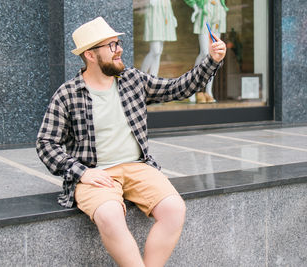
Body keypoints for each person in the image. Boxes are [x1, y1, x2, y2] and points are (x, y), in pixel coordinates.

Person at [36, 16, 226, 267]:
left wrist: (211, 61)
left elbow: (177, 88)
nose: (119, 49)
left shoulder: (132, 80)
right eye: (111, 45)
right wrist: (81, 172)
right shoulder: (68, 94)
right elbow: (46, 143)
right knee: (109, 214)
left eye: (118, 43)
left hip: (138, 166)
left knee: (174, 209)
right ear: (90, 55)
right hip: (96, 173)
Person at [184, 0, 228, 103]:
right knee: (204, 52)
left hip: (218, 11)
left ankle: (209, 91)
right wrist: (195, 6)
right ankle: (192, 89)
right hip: (205, 11)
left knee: (214, 54)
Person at [141, 0, 177, 76]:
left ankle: (153, 76)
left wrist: (172, 16)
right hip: (155, 18)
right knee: (155, 51)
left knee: (158, 52)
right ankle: (141, 75)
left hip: (164, 17)